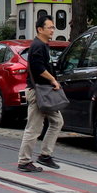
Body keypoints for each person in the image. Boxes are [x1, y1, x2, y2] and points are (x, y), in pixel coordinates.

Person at [16, 13, 64, 172]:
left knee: (57, 121)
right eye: (50, 27)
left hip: (45, 92)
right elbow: (38, 69)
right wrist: (53, 80)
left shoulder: (44, 45)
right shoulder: (38, 46)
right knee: (34, 127)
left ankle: (45, 155)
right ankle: (24, 161)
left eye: (53, 27)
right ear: (39, 29)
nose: (52, 30)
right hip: (38, 92)